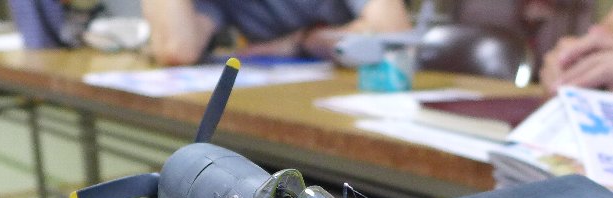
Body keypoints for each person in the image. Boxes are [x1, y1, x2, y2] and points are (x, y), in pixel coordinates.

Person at [141, 0, 413, 66]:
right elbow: (176, 48)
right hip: (271, 110)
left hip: (358, 94)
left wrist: (301, 41)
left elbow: (394, 36)